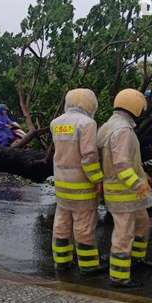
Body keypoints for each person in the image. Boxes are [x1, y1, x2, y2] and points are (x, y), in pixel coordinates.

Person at [97, 89, 152, 288]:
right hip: (122, 192)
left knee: (142, 224)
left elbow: (129, 161)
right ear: (134, 106)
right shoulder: (122, 130)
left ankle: (136, 260)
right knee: (124, 234)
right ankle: (119, 276)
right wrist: (137, 183)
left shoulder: (111, 125)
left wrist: (142, 175)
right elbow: (121, 163)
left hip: (128, 191)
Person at [49, 89, 105, 274]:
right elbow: (89, 157)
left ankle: (62, 261)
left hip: (61, 185)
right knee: (83, 226)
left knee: (62, 224)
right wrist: (98, 179)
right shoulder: (87, 123)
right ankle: (88, 266)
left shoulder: (56, 123)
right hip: (82, 186)